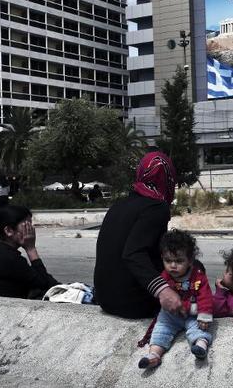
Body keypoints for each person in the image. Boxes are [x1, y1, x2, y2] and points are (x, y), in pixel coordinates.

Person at [94, 150, 179, 319]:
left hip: (104, 299)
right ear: (168, 178)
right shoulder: (157, 208)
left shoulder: (118, 205)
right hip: (133, 303)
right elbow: (134, 253)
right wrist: (163, 290)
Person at [139, 230, 213, 369]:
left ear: (190, 260)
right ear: (162, 258)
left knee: (199, 329)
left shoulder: (197, 276)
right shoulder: (164, 277)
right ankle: (154, 355)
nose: (173, 265)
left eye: (179, 261)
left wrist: (204, 315)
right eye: (168, 261)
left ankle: (201, 347)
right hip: (171, 315)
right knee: (160, 330)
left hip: (193, 314)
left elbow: (205, 296)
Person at [0, 205, 59, 299]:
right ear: (9, 231)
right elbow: (44, 283)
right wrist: (31, 249)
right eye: (26, 226)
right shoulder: (9, 258)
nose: (31, 230)